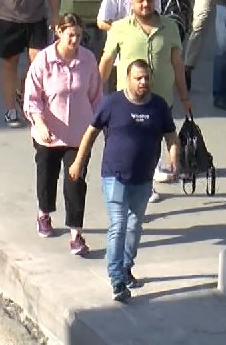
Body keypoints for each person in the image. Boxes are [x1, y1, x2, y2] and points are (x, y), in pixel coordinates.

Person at [68, 59, 179, 302]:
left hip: (143, 178)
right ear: (127, 79)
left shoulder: (159, 106)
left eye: (147, 78)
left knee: (135, 225)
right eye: (138, 78)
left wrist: (174, 159)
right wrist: (78, 161)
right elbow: (91, 132)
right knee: (118, 225)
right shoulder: (112, 103)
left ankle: (127, 266)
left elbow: (170, 135)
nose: (143, 82)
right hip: (114, 176)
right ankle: (116, 278)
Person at [98, 0, 191, 201]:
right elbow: (106, 61)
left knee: (151, 150)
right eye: (140, 1)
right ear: (131, 3)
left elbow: (177, 64)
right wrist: (94, 93)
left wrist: (184, 96)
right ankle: (122, 188)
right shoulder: (119, 28)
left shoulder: (170, 27)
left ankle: (145, 186)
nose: (145, 4)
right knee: (126, 147)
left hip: (160, 102)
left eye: (149, 0)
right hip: (127, 102)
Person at [23, 14, 102, 256]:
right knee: (47, 175)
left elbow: (96, 96)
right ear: (59, 32)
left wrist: (99, 127)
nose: (75, 40)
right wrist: (39, 121)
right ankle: (44, 212)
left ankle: (76, 233)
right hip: (48, 134)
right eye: (71, 35)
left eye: (79, 35)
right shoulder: (44, 61)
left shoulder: (88, 60)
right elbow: (32, 97)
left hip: (78, 135)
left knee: (75, 182)